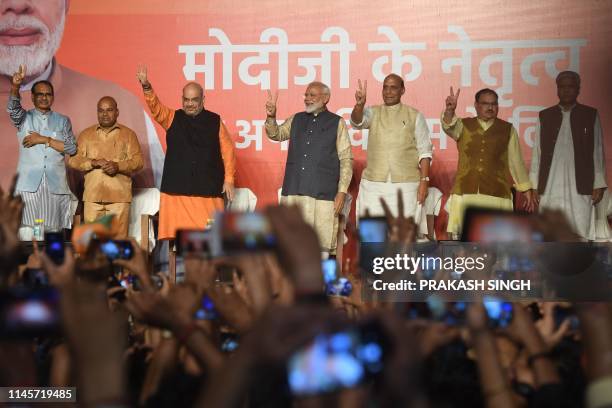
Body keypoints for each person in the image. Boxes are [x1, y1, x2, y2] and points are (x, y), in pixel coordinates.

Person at [0, 0, 163, 191]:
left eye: (46, 95)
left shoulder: (119, 106)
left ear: (66, 3)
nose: (17, 4)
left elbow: (155, 206)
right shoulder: (23, 116)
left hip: (63, 205)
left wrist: (100, 164)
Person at [136, 65, 235, 241]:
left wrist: (229, 179)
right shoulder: (172, 117)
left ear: (203, 100)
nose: (189, 104)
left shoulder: (215, 120)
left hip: (208, 191)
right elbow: (156, 108)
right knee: (176, 238)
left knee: (210, 239)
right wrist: (146, 87)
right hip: (177, 192)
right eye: (186, 100)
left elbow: (227, 151)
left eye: (194, 100)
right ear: (182, 99)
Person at [264, 82, 353, 255]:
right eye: (306, 95)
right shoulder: (296, 119)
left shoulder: (337, 123)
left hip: (323, 195)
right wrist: (271, 117)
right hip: (295, 192)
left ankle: (323, 282)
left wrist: (342, 191)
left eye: (312, 95)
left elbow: (346, 159)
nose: (308, 99)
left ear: (326, 98)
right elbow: (276, 133)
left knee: (322, 247)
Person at [442, 87, 536, 237]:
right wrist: (449, 111)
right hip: (466, 190)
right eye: (486, 104)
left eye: (494, 104)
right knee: (463, 240)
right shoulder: (463, 125)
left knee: (494, 242)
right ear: (476, 105)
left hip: (496, 192)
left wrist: (526, 189)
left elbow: (516, 162)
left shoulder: (507, 129)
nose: (490, 107)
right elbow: (449, 126)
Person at [529, 71, 608, 240]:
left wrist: (598, 183)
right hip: (550, 183)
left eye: (570, 87)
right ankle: (551, 264)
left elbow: (598, 151)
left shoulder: (590, 115)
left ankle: (578, 262)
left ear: (578, 90)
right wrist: (534, 185)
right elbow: (537, 152)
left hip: (580, 183)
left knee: (579, 225)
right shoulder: (545, 116)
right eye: (562, 87)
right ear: (557, 89)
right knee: (550, 229)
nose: (566, 90)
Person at [350, 74, 433, 223]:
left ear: (402, 90)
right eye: (385, 88)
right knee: (372, 235)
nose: (388, 92)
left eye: (393, 88)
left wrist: (424, 181)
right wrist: (359, 105)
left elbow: (425, 151)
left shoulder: (415, 115)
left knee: (402, 237)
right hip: (374, 184)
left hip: (406, 186)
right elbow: (357, 122)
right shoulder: (373, 111)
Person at [7, 64, 76, 236]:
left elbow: (72, 148)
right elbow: (13, 109)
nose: (44, 98)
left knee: (52, 234)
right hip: (28, 186)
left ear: (52, 97)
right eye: (40, 94)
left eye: (48, 94)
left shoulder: (63, 121)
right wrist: (15, 86)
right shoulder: (24, 119)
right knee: (28, 233)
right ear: (32, 97)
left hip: (55, 186)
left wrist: (45, 139)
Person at [68, 96, 144, 238]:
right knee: (92, 245)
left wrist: (118, 166)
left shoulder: (128, 135)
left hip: (119, 198)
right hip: (92, 197)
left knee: (118, 243)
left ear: (117, 112)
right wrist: (93, 162)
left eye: (109, 110)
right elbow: (73, 160)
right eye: (101, 110)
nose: (105, 114)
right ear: (97, 112)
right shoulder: (86, 135)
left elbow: (139, 161)